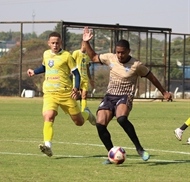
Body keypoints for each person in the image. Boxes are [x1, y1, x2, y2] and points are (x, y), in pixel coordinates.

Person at [82, 26, 172, 164]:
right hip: (110, 96)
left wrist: (164, 92)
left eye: (122, 53)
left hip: (125, 96)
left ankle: (140, 149)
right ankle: (111, 153)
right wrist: (86, 42)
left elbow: (151, 77)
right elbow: (94, 57)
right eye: (118, 52)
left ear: (128, 51)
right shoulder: (110, 58)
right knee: (100, 124)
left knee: (122, 119)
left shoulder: (136, 65)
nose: (120, 55)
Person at [27, 32, 96, 157]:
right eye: (52, 43)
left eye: (57, 43)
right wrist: (34, 71)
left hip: (66, 94)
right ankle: (47, 146)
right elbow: (44, 67)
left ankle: (87, 114)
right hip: (50, 94)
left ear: (61, 43)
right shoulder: (46, 54)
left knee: (79, 122)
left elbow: (76, 74)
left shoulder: (67, 56)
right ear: (48, 43)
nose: (55, 45)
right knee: (49, 116)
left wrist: (76, 88)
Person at [72, 40, 94, 111]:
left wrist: (90, 78)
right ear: (83, 45)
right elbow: (71, 63)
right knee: (75, 96)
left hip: (85, 78)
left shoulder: (87, 55)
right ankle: (74, 110)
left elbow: (87, 68)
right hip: (77, 78)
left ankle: (83, 111)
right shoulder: (76, 53)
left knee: (84, 96)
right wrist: (71, 71)